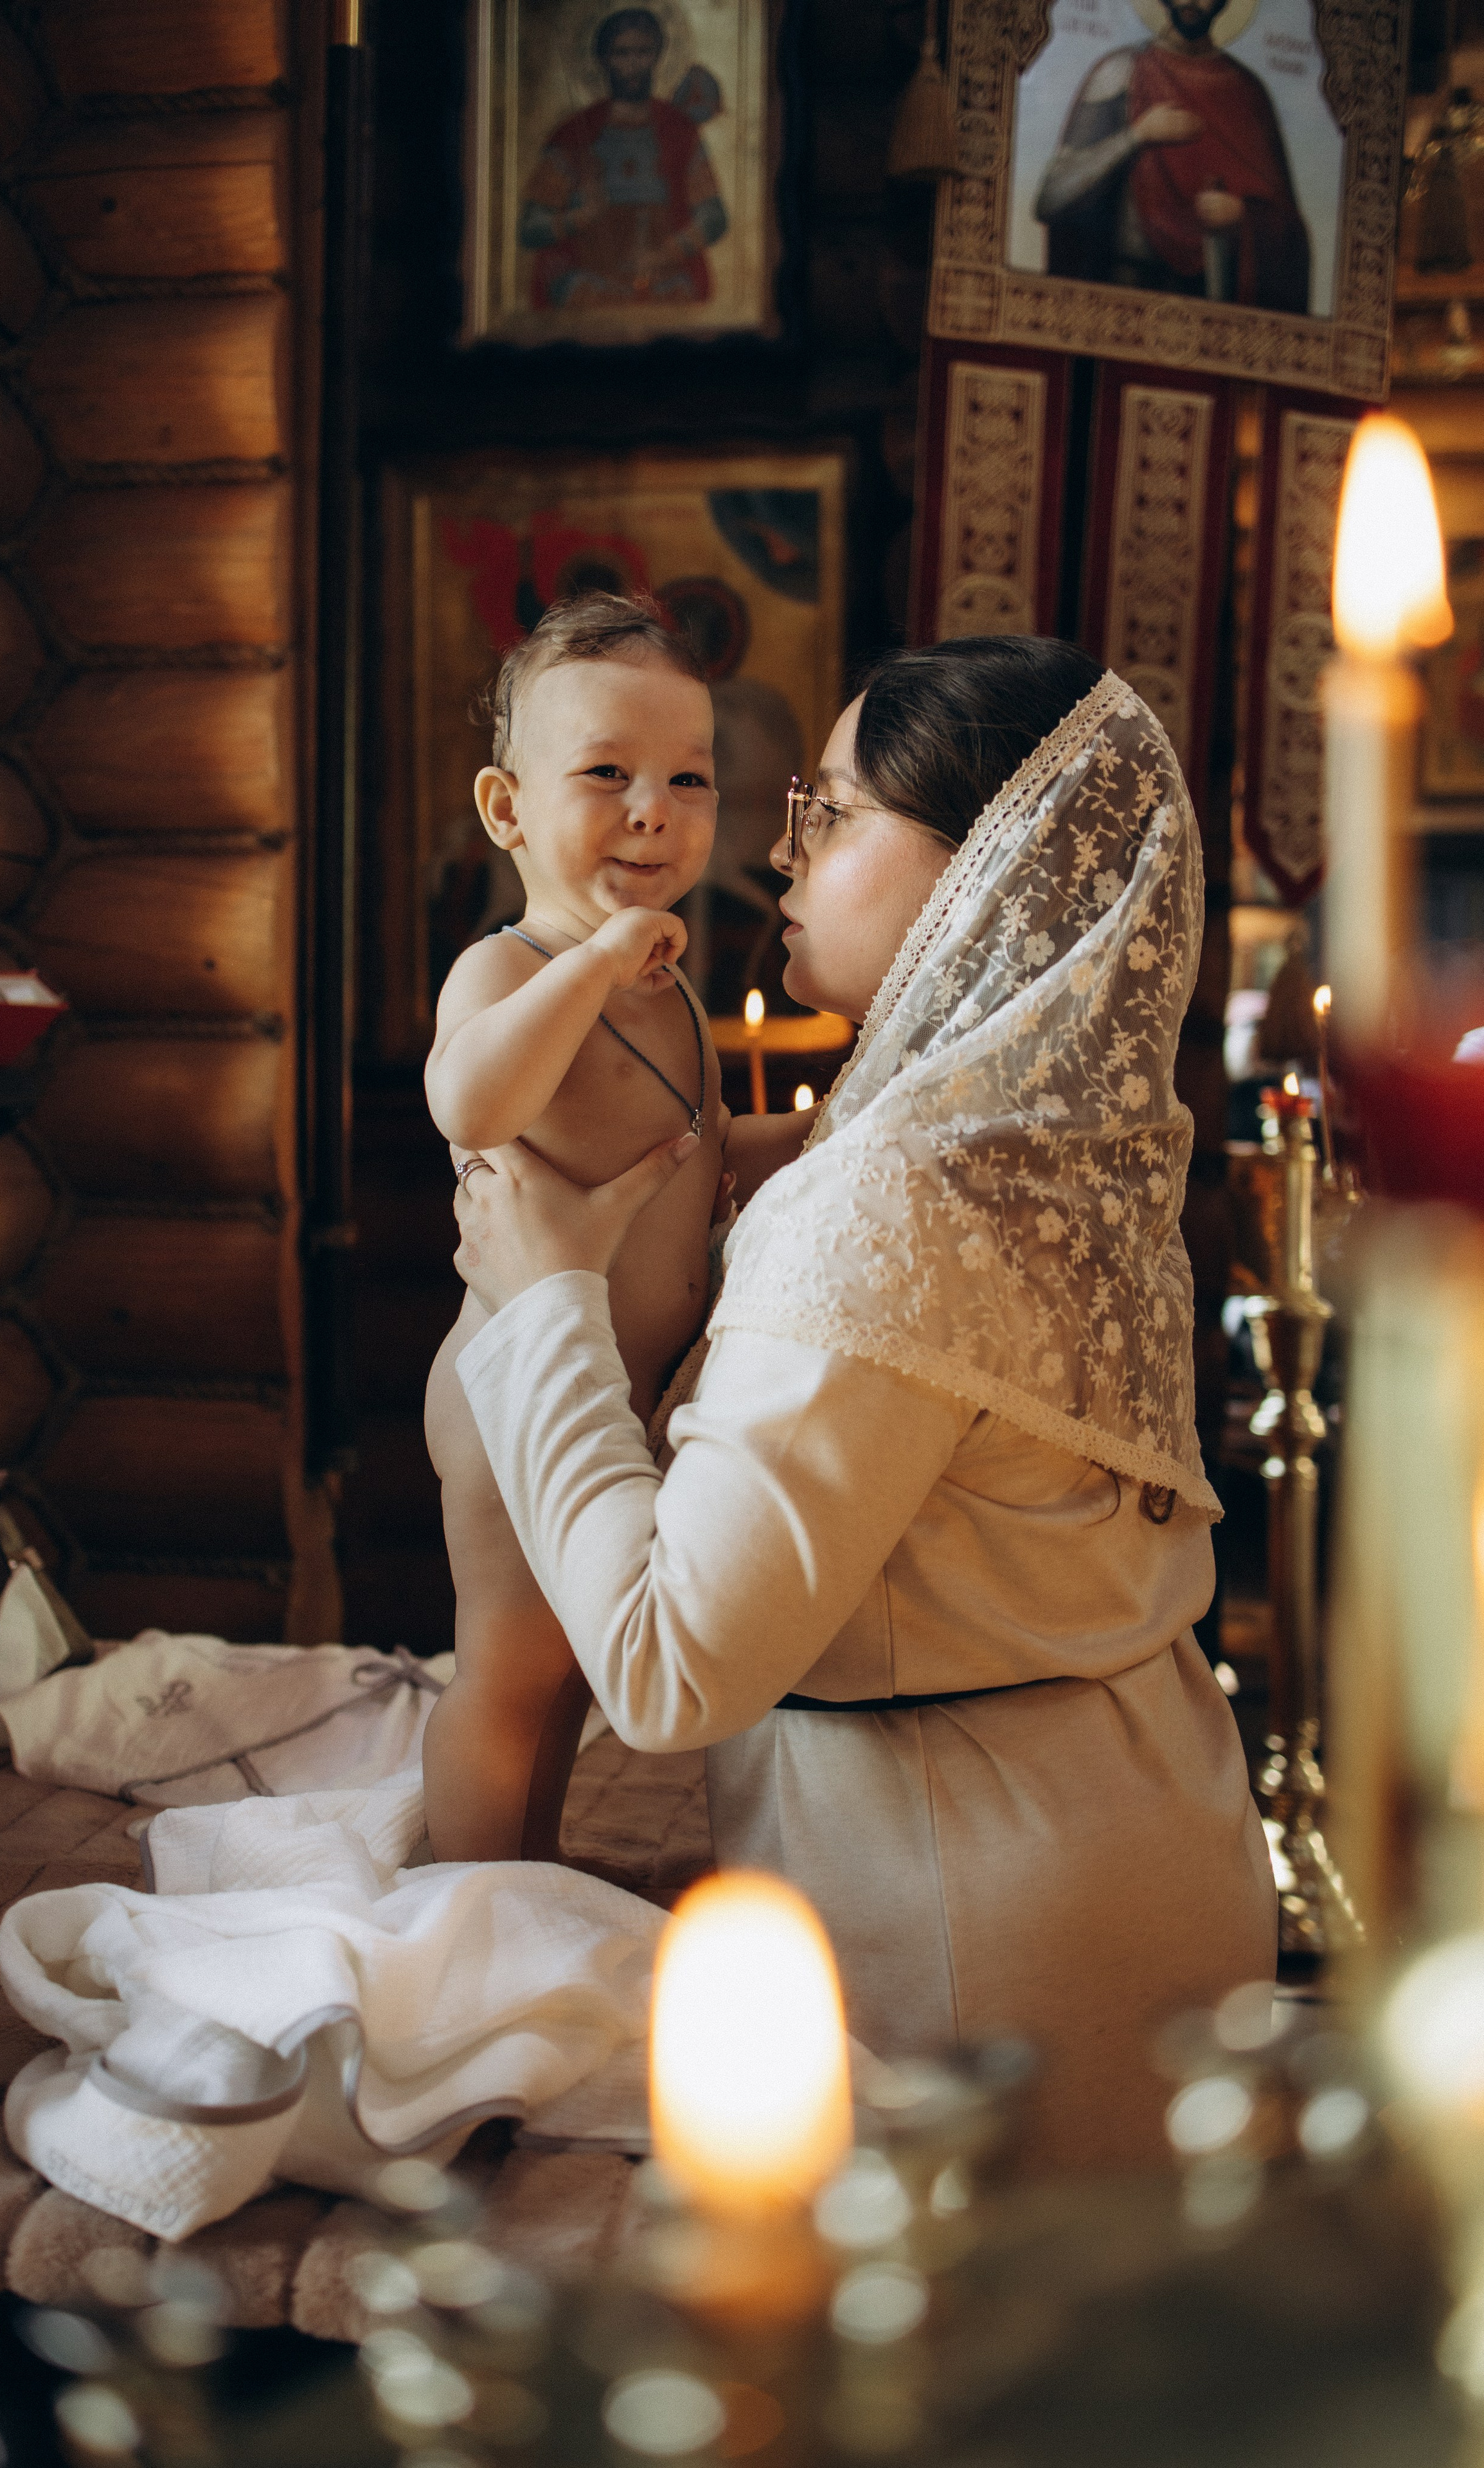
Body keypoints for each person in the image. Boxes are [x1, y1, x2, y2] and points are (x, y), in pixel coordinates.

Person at [448, 637, 1277, 2175]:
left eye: (825, 814)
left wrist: (541, 1295)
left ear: (987, 872)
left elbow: (665, 1664)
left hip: (971, 1922)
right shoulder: (1054, 1145)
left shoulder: (892, 1201)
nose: (778, 848)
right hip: (1130, 1832)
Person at [422, 594, 743, 1865]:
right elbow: (471, 1099)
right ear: (506, 810)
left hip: (606, 1393)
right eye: (605, 773)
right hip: (513, 1388)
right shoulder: (510, 967)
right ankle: (473, 1896)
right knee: (512, 1671)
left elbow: (689, 1154)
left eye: (687, 778)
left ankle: (524, 1864)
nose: (650, 809)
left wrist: (818, 1143)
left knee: (568, 1671)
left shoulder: (669, 985)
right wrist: (595, 965)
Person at [1034, 0, 1310, 314]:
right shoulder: (1120, 73)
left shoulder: (1248, 93)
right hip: (1121, 290)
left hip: (1209, 304)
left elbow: (1289, 229)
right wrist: (1137, 136)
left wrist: (1243, 216)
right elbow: (1052, 198)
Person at [519, 8, 728, 311]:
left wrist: (666, 253)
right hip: (588, 284)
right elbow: (529, 229)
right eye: (621, 53)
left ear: (659, 56)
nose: (633, 65)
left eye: (643, 52)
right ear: (602, 59)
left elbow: (714, 217)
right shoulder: (573, 135)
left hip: (665, 283)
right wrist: (581, 216)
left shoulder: (679, 131)